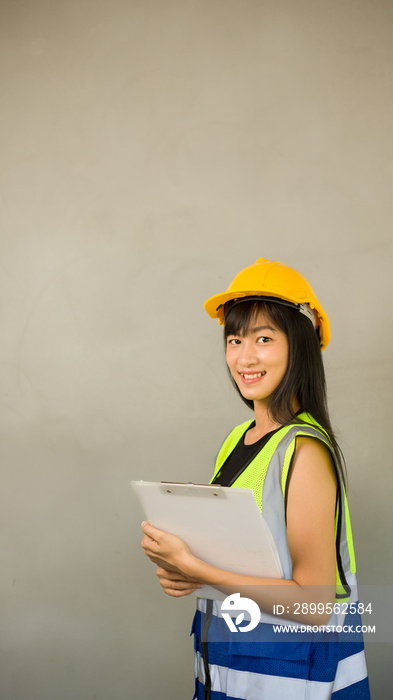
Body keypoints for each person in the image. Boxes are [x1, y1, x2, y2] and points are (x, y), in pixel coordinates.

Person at [141, 257, 370, 699]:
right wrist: (185, 569)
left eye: (263, 339)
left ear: (299, 346)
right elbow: (242, 558)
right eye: (234, 339)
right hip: (228, 674)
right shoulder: (237, 439)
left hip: (294, 681)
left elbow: (315, 604)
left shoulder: (304, 452)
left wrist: (196, 566)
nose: (244, 357)